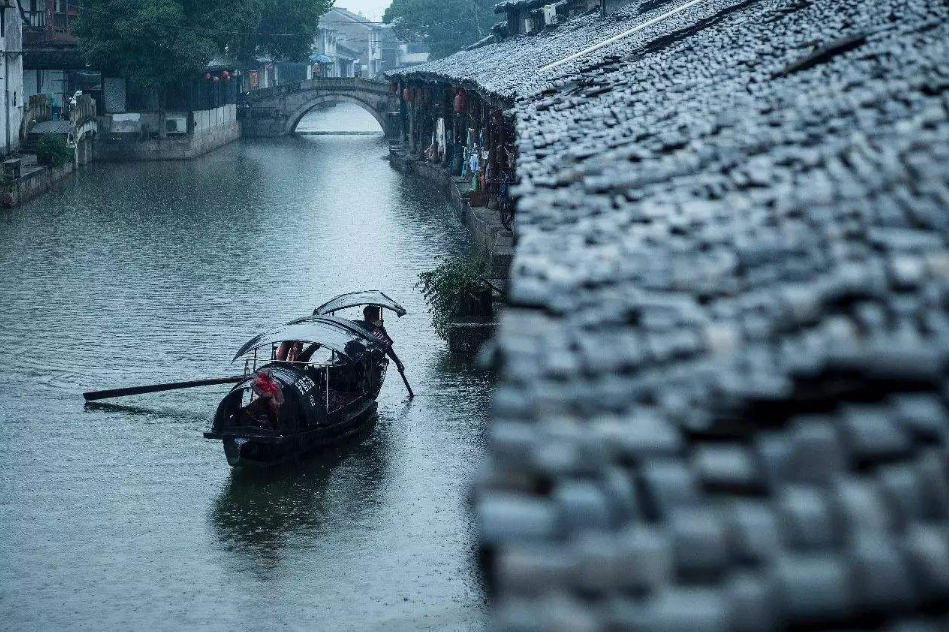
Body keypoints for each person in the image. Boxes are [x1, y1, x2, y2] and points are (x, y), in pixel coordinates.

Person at [357, 306, 405, 373]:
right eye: (376, 316)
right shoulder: (359, 326)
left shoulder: (378, 329)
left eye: (378, 316)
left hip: (373, 366)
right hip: (361, 364)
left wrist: (397, 362)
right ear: (369, 316)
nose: (378, 318)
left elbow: (387, 348)